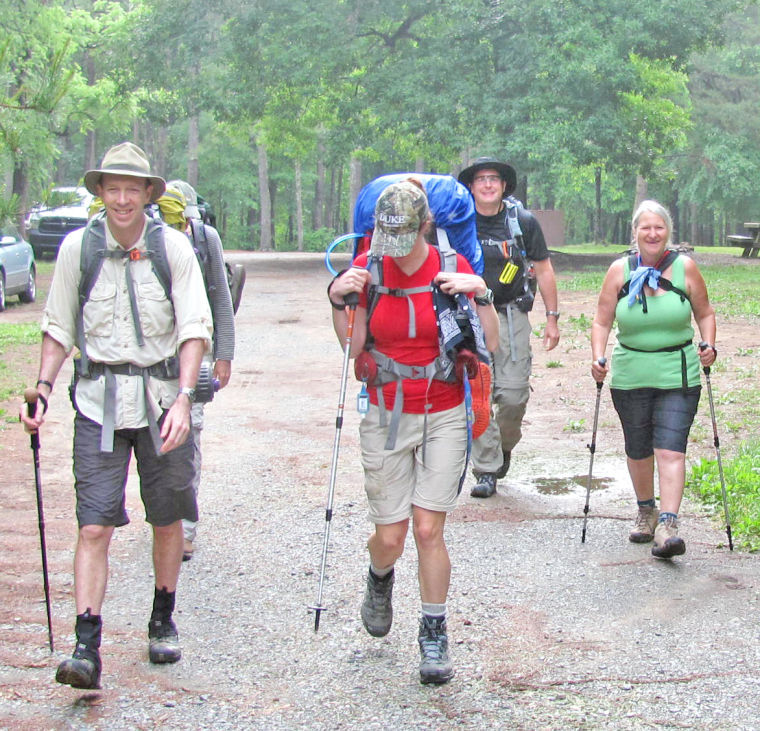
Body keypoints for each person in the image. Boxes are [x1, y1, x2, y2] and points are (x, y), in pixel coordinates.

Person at [19, 142, 213, 689]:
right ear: (100, 193)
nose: (123, 199)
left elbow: (194, 328)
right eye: (113, 188)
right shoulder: (78, 251)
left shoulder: (173, 249)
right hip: (96, 402)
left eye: (133, 189)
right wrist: (41, 389)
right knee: (94, 523)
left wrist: (183, 399)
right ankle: (86, 645)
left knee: (168, 516)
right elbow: (58, 327)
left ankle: (162, 616)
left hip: (159, 403)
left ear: (148, 194)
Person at [327, 179, 499, 685]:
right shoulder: (370, 270)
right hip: (385, 411)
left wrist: (481, 293)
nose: (397, 249)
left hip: (444, 409)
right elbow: (352, 345)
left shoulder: (451, 266)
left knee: (428, 528)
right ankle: (380, 578)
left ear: (425, 225)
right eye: (389, 237)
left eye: (405, 236)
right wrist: (340, 302)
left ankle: (434, 632)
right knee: (390, 536)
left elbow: (488, 343)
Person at [590, 199, 717, 558]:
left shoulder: (685, 269)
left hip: (678, 374)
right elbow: (601, 321)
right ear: (635, 232)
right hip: (630, 374)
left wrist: (709, 344)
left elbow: (705, 313)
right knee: (639, 448)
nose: (652, 233)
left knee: (670, 449)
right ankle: (645, 511)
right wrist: (597, 357)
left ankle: (668, 524)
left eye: (659, 227)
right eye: (645, 227)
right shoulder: (619, 271)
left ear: (668, 233)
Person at [458, 157, 560, 498]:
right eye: (481, 179)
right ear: (471, 186)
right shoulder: (458, 220)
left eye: (494, 179)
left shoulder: (523, 222)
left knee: (513, 395)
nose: (487, 184)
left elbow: (543, 269)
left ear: (504, 186)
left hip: (511, 313)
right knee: (479, 392)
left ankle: (502, 449)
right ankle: (485, 469)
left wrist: (552, 317)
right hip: (469, 314)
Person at [161, 179, 235, 561]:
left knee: (190, 437)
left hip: (198, 350)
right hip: (154, 354)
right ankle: (165, 520)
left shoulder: (206, 239)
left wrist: (225, 354)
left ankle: (186, 528)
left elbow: (221, 296)